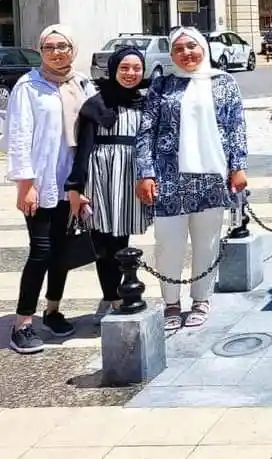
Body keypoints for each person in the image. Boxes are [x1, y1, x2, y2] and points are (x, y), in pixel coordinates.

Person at [135, 27, 248, 331]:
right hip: (169, 177)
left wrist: (238, 167)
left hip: (212, 177)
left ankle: (201, 299)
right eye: (179, 49)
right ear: (171, 55)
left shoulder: (223, 83)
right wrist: (145, 172)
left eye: (192, 47)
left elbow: (236, 127)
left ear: (203, 48)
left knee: (207, 242)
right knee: (168, 244)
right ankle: (171, 303)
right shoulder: (162, 85)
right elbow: (146, 131)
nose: (187, 54)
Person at [6, 25, 95, 354]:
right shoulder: (29, 86)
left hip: (71, 181)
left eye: (63, 46)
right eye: (49, 47)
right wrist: (24, 184)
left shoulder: (82, 82)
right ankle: (22, 324)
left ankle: (53, 311)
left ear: (72, 49)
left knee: (61, 251)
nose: (57, 52)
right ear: (40, 51)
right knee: (41, 251)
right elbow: (18, 135)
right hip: (41, 182)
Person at [65, 46, 152, 317]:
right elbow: (84, 148)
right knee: (103, 241)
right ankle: (112, 297)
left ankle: (124, 292)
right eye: (124, 68)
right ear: (113, 69)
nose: (130, 73)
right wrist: (77, 187)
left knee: (121, 239)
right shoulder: (96, 105)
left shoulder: (145, 102)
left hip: (129, 177)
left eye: (136, 68)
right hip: (101, 176)